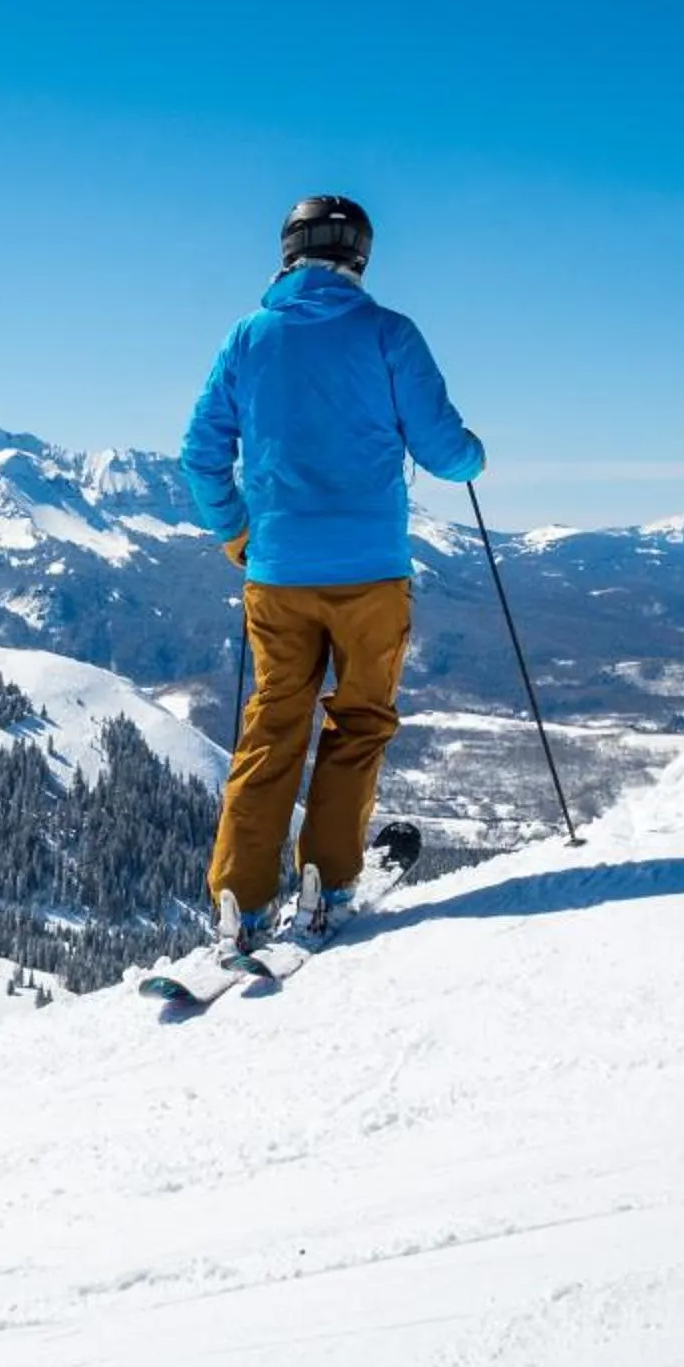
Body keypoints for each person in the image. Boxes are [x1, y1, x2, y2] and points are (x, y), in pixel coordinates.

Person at [180, 194, 485, 945]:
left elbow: (199, 454)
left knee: (273, 725)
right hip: (371, 576)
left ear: (288, 253)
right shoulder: (389, 334)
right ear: (359, 256)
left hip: (276, 572)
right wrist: (474, 452)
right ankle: (328, 878)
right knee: (359, 721)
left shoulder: (248, 339)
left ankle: (239, 900)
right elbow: (447, 454)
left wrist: (236, 533)